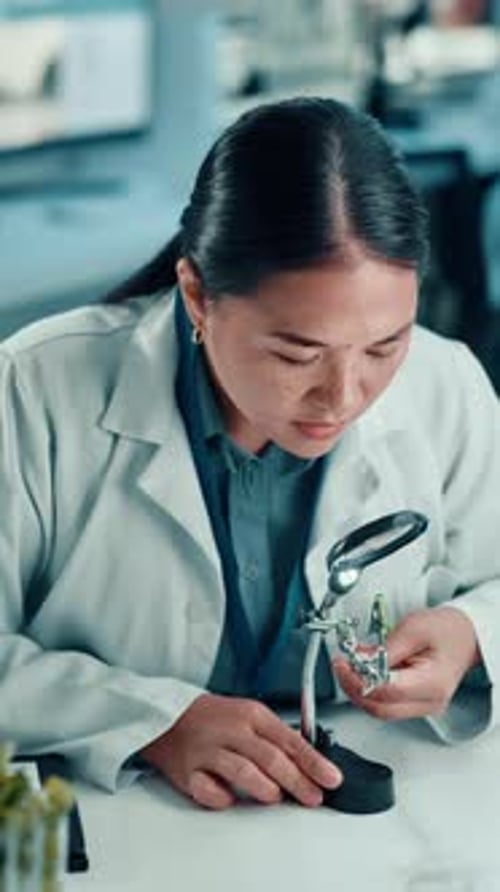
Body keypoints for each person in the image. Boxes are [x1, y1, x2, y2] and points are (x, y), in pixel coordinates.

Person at [0, 97, 499, 813]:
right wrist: (150, 720)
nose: (345, 395)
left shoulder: (445, 383)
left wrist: (471, 635)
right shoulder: (33, 389)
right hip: (135, 832)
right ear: (198, 294)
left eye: (385, 346)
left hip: (387, 840)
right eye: (298, 353)